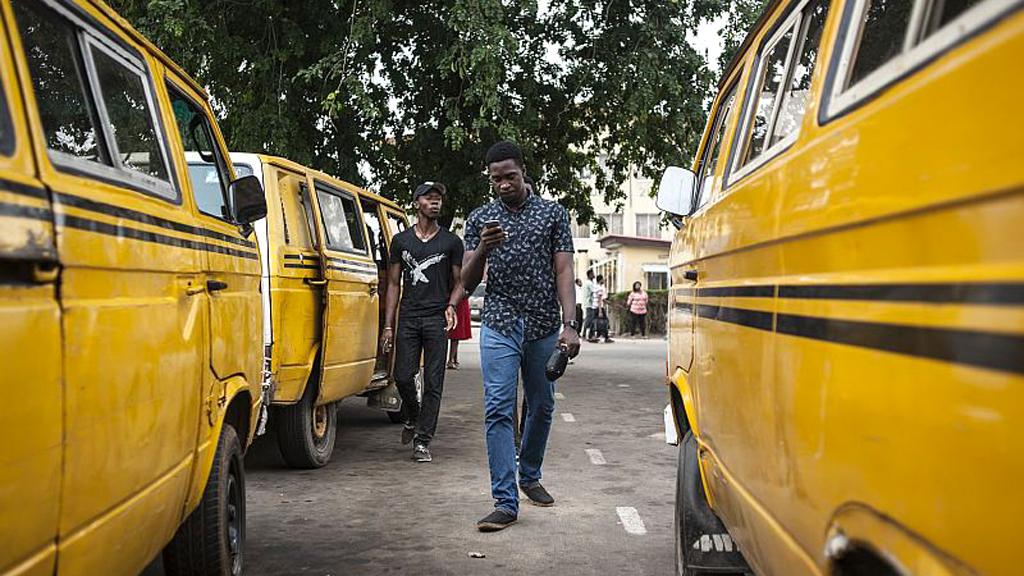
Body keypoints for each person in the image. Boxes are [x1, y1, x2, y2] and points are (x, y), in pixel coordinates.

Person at [463, 140, 580, 532]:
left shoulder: (553, 214)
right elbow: (466, 280)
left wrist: (570, 323)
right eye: (496, 179)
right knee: (498, 407)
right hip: (499, 323)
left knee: (542, 405)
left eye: (510, 176)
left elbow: (563, 271)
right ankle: (505, 501)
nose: (503, 185)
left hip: (544, 324)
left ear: (524, 172)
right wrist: (483, 247)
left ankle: (529, 474)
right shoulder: (480, 218)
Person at [381, 182, 464, 463]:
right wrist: (388, 325)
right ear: (417, 203)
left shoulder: (451, 242)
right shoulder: (401, 241)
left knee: (433, 382)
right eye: (429, 198)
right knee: (402, 376)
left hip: (437, 318)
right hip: (408, 317)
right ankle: (414, 416)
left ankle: (422, 440)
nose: (435, 203)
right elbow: (393, 284)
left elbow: (459, 282)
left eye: (438, 199)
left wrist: (451, 305)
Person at [447, 298, 472, 369]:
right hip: (457, 303)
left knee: (456, 333)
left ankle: (454, 359)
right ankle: (451, 360)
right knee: (456, 333)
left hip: (458, 302)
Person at [589, 274, 613, 343]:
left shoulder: (597, 287)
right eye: (603, 279)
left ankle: (595, 335)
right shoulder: (599, 288)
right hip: (598, 307)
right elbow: (599, 299)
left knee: (594, 321)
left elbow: (602, 299)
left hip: (595, 306)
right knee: (604, 321)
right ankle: (604, 336)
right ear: (600, 280)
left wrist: (608, 302)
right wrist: (600, 310)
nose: (604, 280)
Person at [582, 269, 596, 339]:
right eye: (593, 274)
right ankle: (585, 333)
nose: (594, 275)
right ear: (590, 275)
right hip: (589, 304)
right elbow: (594, 291)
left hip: (587, 303)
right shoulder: (589, 283)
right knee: (589, 319)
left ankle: (589, 334)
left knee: (590, 319)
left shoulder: (586, 283)